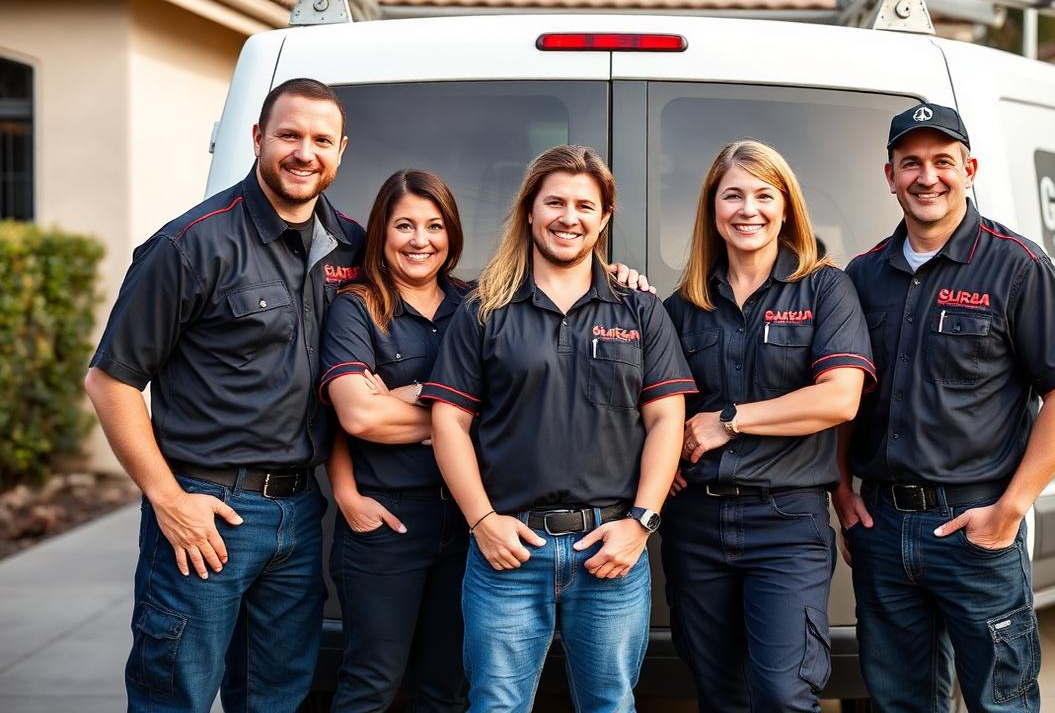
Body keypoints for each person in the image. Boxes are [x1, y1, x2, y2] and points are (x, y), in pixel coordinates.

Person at [84, 78, 364, 712]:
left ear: (341, 150)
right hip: (206, 511)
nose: (305, 152)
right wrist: (168, 500)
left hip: (300, 513)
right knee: (174, 697)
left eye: (322, 140)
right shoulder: (190, 244)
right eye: (289, 135)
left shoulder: (350, 242)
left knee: (278, 699)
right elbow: (110, 380)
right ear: (258, 138)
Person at [837, 102, 1055, 712]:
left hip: (975, 527)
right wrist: (840, 491)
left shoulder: (1016, 265)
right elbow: (846, 394)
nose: (927, 177)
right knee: (898, 703)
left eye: (943, 161)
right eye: (911, 163)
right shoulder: (863, 275)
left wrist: (1012, 509)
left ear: (969, 169)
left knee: (1000, 703)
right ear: (890, 176)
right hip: (882, 528)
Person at [420, 144, 696, 712]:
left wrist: (641, 524)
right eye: (555, 203)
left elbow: (667, 418)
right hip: (509, 552)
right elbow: (448, 421)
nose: (569, 218)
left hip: (611, 550)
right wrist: (482, 522)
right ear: (529, 210)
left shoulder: (639, 309)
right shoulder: (485, 308)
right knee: (495, 705)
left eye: (584, 206)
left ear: (604, 217)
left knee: (610, 704)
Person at [659, 140, 876, 712]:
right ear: (712, 208)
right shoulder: (682, 306)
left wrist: (730, 421)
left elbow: (840, 398)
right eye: (732, 195)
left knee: (783, 694)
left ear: (786, 207)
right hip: (696, 524)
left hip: (786, 522)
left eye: (763, 195)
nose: (747, 209)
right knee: (719, 693)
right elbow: (652, 408)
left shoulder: (825, 288)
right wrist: (659, 461)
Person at [318, 169, 470, 712]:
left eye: (434, 225)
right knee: (371, 686)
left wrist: (410, 393)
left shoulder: (478, 305)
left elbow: (510, 406)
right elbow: (357, 417)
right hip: (387, 522)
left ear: (451, 233)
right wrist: (458, 415)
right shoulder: (356, 308)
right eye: (404, 225)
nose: (419, 240)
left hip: (470, 522)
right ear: (382, 231)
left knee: (448, 690)